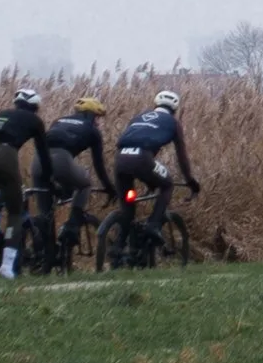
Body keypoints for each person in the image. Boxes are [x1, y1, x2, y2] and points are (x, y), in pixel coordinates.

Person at [0, 87, 49, 278]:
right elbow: (43, 154)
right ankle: (7, 267)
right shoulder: (35, 120)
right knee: (15, 212)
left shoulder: (1, 114)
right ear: (35, 107)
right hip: (5, 156)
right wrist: (50, 180)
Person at [36, 94, 118, 259]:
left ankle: (45, 256)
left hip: (37, 162)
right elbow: (99, 165)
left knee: (45, 214)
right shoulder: (92, 131)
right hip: (60, 160)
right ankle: (72, 226)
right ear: (91, 115)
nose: (98, 122)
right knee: (85, 184)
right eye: (97, 118)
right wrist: (109, 188)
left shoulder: (58, 121)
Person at [113, 87, 202, 236]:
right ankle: (153, 225)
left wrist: (150, 181)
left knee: (128, 208)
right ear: (174, 108)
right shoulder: (173, 123)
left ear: (156, 104)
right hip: (142, 159)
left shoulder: (138, 117)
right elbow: (182, 156)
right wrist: (190, 180)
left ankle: (118, 248)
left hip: (120, 159)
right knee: (167, 185)